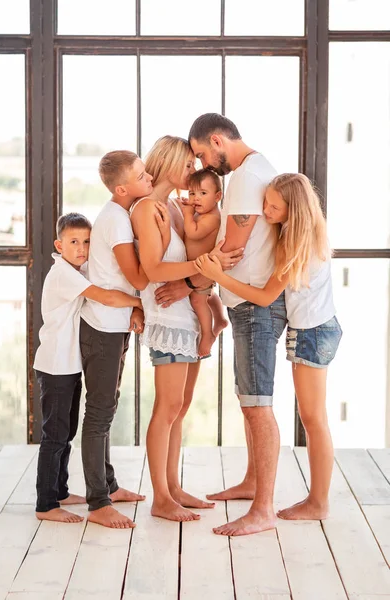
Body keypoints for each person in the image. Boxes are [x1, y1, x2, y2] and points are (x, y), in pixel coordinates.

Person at [196, 173, 342, 523]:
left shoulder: (299, 242)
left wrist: (218, 276)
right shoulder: (296, 230)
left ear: (293, 209)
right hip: (309, 329)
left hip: (314, 333)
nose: (265, 210)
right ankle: (281, 489)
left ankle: (319, 502)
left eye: (273, 206)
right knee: (311, 417)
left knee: (313, 418)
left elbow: (264, 297)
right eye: (265, 203)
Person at [130, 135, 243, 522]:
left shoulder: (175, 210)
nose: (193, 172)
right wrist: (203, 269)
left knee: (180, 407)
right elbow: (153, 272)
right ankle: (160, 496)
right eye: (188, 165)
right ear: (167, 162)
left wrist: (202, 273)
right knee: (166, 407)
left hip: (188, 319)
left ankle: (173, 487)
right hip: (167, 318)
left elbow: (195, 252)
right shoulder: (146, 209)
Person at [189, 113, 287, 537]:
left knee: (258, 405)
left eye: (201, 154)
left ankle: (263, 509)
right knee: (250, 401)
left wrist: (191, 281)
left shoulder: (246, 178)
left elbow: (230, 249)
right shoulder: (253, 171)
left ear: (216, 140)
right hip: (246, 303)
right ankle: (252, 484)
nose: (202, 164)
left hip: (254, 307)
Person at [79, 150, 169, 529]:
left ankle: (110, 485)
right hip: (102, 327)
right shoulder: (116, 221)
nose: (148, 177)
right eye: (141, 174)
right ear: (121, 188)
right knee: (99, 412)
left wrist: (135, 309)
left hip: (114, 323)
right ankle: (98, 501)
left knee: (108, 406)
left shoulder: (120, 215)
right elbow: (138, 278)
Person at [33, 212, 142, 523]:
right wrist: (139, 303)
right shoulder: (64, 274)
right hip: (55, 366)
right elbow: (105, 296)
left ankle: (61, 491)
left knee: (65, 431)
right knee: (54, 435)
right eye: (74, 242)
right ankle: (45, 504)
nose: (82, 248)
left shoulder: (75, 271)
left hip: (68, 366)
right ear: (59, 244)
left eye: (87, 242)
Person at [182, 168, 228, 357]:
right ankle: (220, 319)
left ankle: (208, 334)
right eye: (192, 193)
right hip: (202, 269)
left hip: (203, 270)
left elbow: (193, 232)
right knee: (208, 295)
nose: (196, 199)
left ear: (217, 196)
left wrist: (186, 214)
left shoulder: (212, 218)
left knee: (198, 299)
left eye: (203, 193)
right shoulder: (204, 214)